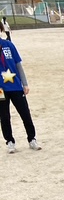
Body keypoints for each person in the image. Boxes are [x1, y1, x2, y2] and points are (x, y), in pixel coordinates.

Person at [0, 23, 41, 154]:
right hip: (0, 90)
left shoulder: (8, 45)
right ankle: (10, 141)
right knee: (4, 116)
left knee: (25, 114)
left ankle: (32, 139)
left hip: (16, 86)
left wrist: (25, 83)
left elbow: (18, 65)